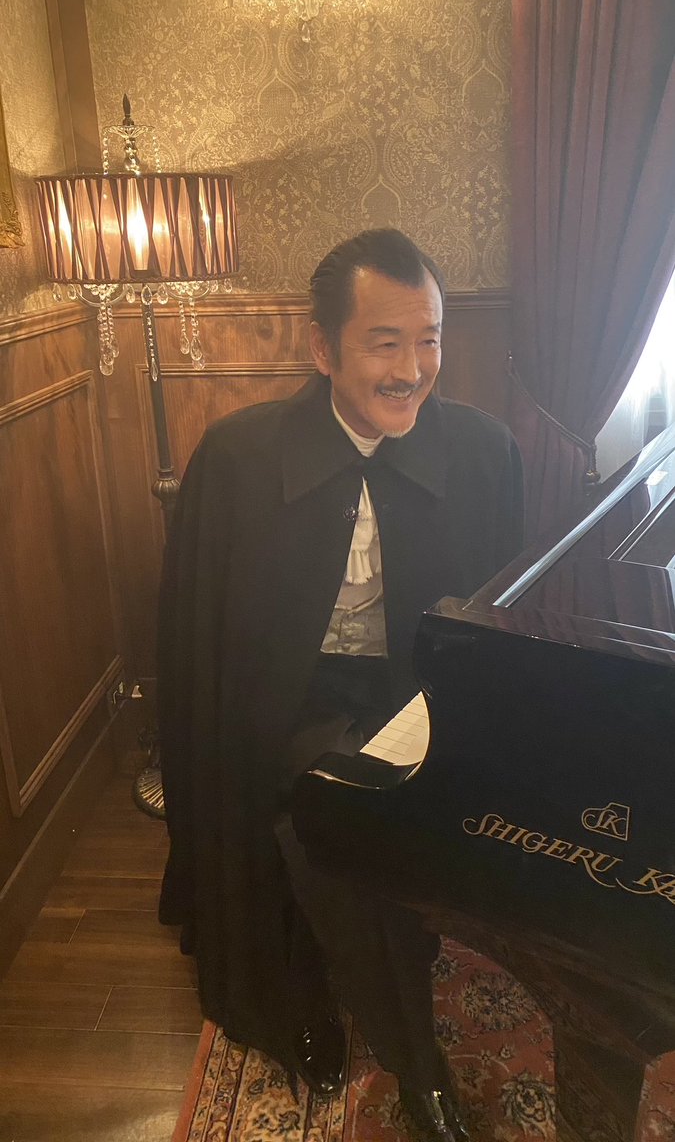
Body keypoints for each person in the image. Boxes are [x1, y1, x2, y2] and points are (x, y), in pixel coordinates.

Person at [158, 229, 524, 1142]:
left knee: (377, 834)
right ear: (322, 349)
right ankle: (413, 1065)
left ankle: (346, 1005)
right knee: (335, 822)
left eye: (428, 339)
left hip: (417, 701)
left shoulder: (483, 452)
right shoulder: (238, 457)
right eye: (383, 343)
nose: (411, 369)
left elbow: (498, 625)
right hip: (291, 699)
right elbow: (198, 631)